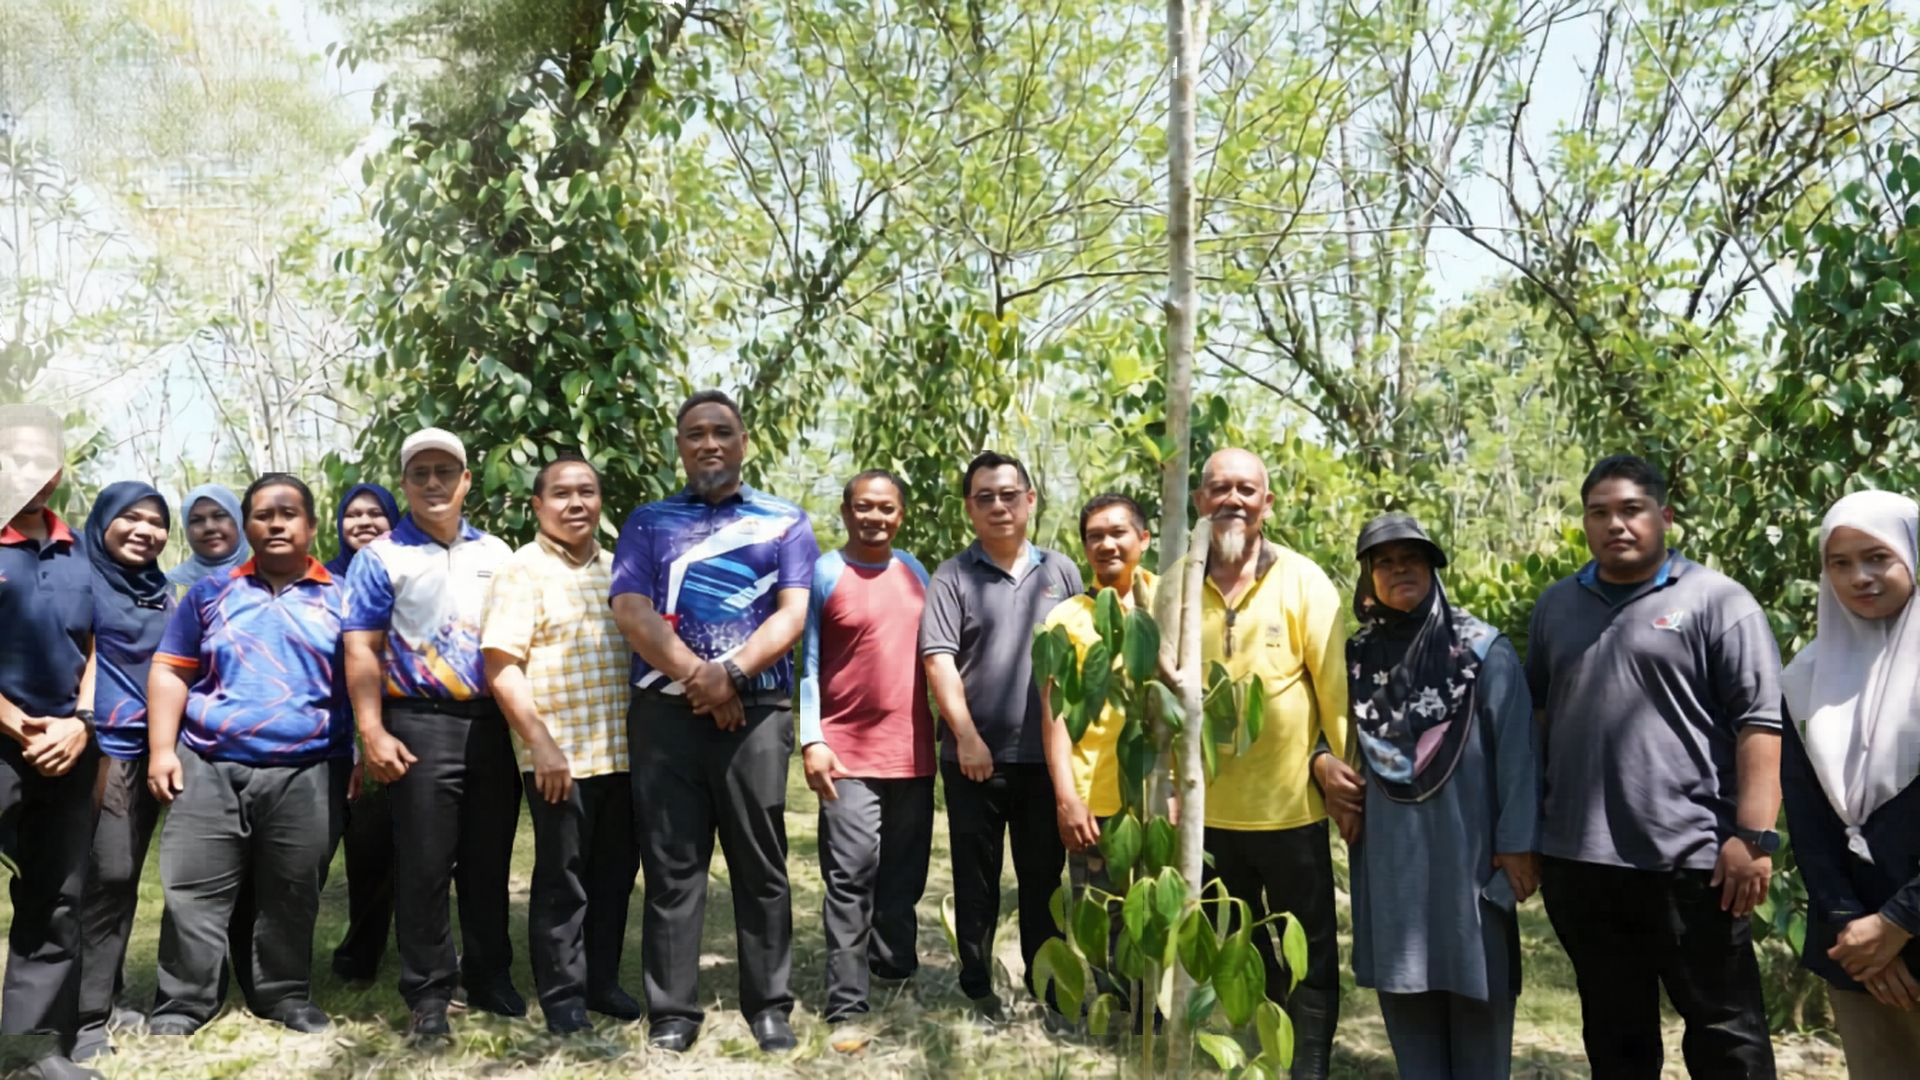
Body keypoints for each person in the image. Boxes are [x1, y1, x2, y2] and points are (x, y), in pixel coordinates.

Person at [1527, 454, 1781, 1078]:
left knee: (1725, 1031)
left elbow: (1760, 724)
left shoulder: (1718, 601)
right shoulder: (1556, 606)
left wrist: (1752, 836)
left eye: (1632, 510)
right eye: (1600, 513)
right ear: (1584, 525)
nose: (1616, 524)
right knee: (1616, 1033)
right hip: (1582, 863)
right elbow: (1538, 719)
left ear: (1664, 517)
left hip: (1694, 861)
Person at [610, 389, 817, 1054]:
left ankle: (770, 1007)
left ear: (743, 440)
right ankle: (672, 1011)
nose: (709, 444)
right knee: (673, 864)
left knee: (762, 864)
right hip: (664, 717)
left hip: (755, 717)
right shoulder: (647, 523)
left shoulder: (785, 522)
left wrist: (729, 675)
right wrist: (700, 677)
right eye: (695, 433)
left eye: (721, 432)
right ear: (680, 446)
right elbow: (632, 611)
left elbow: (790, 616)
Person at [1314, 514, 1539, 1079]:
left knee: (1480, 998)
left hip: (1471, 858)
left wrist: (1517, 844)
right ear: (1368, 578)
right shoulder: (1355, 658)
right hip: (1393, 864)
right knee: (1407, 999)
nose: (1399, 571)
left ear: (1433, 568)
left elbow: (1517, 751)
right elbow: (1320, 726)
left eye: (1411, 558)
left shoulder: (1483, 650)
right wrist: (1319, 760)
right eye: (1384, 563)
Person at [144, 474, 349, 1038]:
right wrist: (163, 749)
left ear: (309, 524)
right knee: (193, 889)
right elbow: (170, 670)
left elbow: (363, 681)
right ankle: (184, 1003)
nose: (276, 523)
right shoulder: (209, 594)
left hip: (308, 766)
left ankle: (283, 995)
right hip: (208, 763)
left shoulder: (344, 596)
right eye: (263, 514)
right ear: (247, 525)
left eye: (288, 514)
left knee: (291, 889)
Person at [342, 429, 521, 1037]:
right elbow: (362, 649)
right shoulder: (382, 558)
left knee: (487, 857)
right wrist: (371, 730)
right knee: (423, 865)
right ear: (406, 485)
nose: (434, 483)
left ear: (467, 480)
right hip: (417, 721)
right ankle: (428, 992)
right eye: (420, 473)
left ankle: (490, 975)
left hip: (492, 724)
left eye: (446, 470)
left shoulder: (499, 554)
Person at [1188, 448, 1346, 1080]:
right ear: (1199, 501)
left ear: (1266, 502)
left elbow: (1335, 688)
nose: (1232, 499)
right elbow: (1161, 698)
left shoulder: (1304, 580)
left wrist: (1341, 775)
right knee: (1238, 943)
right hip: (1207, 812)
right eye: (1219, 488)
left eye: (1246, 489)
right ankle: (1266, 1041)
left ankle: (1309, 1061)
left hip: (1290, 809)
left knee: (1310, 945)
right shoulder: (1175, 583)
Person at [919, 451, 1083, 1028]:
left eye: (1009, 494)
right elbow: (938, 660)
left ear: (1030, 500)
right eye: (984, 496)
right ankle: (977, 986)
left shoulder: (1062, 573)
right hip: (973, 759)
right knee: (977, 878)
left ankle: (1051, 993)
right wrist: (965, 736)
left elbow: (1079, 664)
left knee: (1043, 881)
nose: (998, 505)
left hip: (1046, 761)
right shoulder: (951, 575)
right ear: (970, 507)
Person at [481, 455, 641, 1034]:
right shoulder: (520, 571)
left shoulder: (620, 567)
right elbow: (501, 665)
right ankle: (563, 994)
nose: (576, 504)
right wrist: (541, 744)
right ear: (538, 506)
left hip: (623, 754)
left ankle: (602, 983)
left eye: (588, 492)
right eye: (562, 494)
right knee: (562, 880)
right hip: (559, 759)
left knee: (615, 874)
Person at [1779, 490, 1920, 1077]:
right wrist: (1854, 930)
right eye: (1840, 563)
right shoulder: (1806, 677)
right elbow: (1810, 825)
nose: (1859, 577)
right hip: (1859, 954)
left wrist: (1899, 922)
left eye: (1877, 557)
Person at [797, 470, 935, 1044]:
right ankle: (846, 998)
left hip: (914, 751)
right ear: (846, 512)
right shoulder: (823, 573)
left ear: (901, 514)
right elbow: (804, 662)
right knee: (850, 877)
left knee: (904, 875)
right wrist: (813, 738)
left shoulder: (916, 573)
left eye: (885, 508)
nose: (873, 517)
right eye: (862, 507)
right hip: (847, 755)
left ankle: (895, 970)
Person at [0, 406, 102, 1080]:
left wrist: (81, 720)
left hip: (66, 745)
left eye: (43, 461)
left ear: (60, 471)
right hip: (7, 738)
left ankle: (32, 1049)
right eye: (16, 460)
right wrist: (14, 721)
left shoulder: (81, 552)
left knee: (56, 895)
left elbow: (98, 645)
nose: (31, 474)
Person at [1039, 493, 1155, 1016]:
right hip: (1096, 794)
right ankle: (1117, 1009)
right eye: (1094, 536)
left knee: (1157, 908)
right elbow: (1055, 715)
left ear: (1144, 539)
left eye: (1118, 532)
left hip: (1159, 799)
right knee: (1104, 910)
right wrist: (1067, 797)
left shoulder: (1170, 603)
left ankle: (1156, 1015)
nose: (1106, 543)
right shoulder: (1067, 617)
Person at [72, 483, 172, 1061]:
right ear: (103, 520)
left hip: (147, 749)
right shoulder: (78, 579)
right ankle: (82, 1018)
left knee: (123, 876)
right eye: (130, 517)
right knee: (103, 874)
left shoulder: (161, 592)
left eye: (156, 521)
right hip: (93, 746)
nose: (144, 530)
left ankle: (104, 997)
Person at [320, 483, 400, 982]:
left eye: (376, 514)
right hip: (323, 733)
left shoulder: (401, 574)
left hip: (385, 729)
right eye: (353, 514)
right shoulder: (320, 580)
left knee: (376, 854)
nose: (364, 522)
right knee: (309, 854)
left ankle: (361, 955)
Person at [165, 484, 248, 599]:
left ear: (239, 521)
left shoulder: (267, 581)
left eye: (220, 516)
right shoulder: (167, 589)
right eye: (196, 520)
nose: (209, 527)